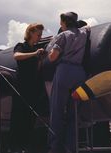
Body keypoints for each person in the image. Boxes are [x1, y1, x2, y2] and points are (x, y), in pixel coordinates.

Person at [45, 12, 90, 153]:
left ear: (64, 22)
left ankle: (54, 148)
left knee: (57, 112)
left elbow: (52, 57)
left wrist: (51, 46)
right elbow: (88, 27)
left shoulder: (62, 36)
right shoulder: (84, 33)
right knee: (74, 114)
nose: (60, 25)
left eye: (61, 22)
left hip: (64, 71)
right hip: (80, 73)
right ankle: (71, 148)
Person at [9, 23, 46, 152]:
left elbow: (36, 70)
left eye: (41, 35)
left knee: (30, 119)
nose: (40, 37)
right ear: (30, 33)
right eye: (38, 34)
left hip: (33, 88)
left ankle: (24, 146)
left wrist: (40, 60)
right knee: (18, 117)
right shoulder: (21, 46)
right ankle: (14, 147)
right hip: (21, 87)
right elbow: (16, 56)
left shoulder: (36, 50)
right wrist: (35, 53)